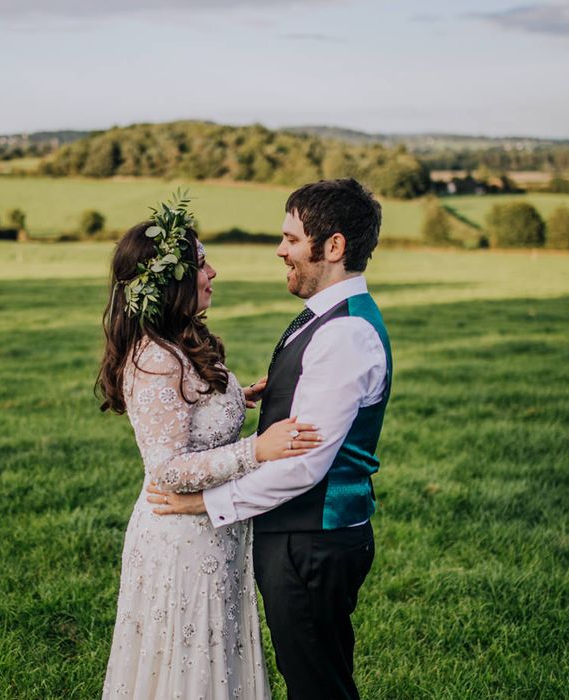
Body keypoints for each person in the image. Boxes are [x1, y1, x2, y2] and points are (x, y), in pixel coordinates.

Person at [148, 179, 392, 700]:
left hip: (312, 540)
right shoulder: (328, 318)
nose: (280, 249)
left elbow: (302, 465)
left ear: (333, 247)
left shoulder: (344, 333)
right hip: (306, 537)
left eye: (291, 238)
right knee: (316, 675)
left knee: (317, 686)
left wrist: (202, 503)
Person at [98, 192, 323, 699]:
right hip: (180, 535)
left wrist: (232, 399)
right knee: (187, 663)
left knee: (215, 658)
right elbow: (168, 469)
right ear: (170, 282)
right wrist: (256, 450)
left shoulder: (179, 341)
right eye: (201, 264)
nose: (213, 272)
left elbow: (189, 416)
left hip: (214, 530)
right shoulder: (155, 359)